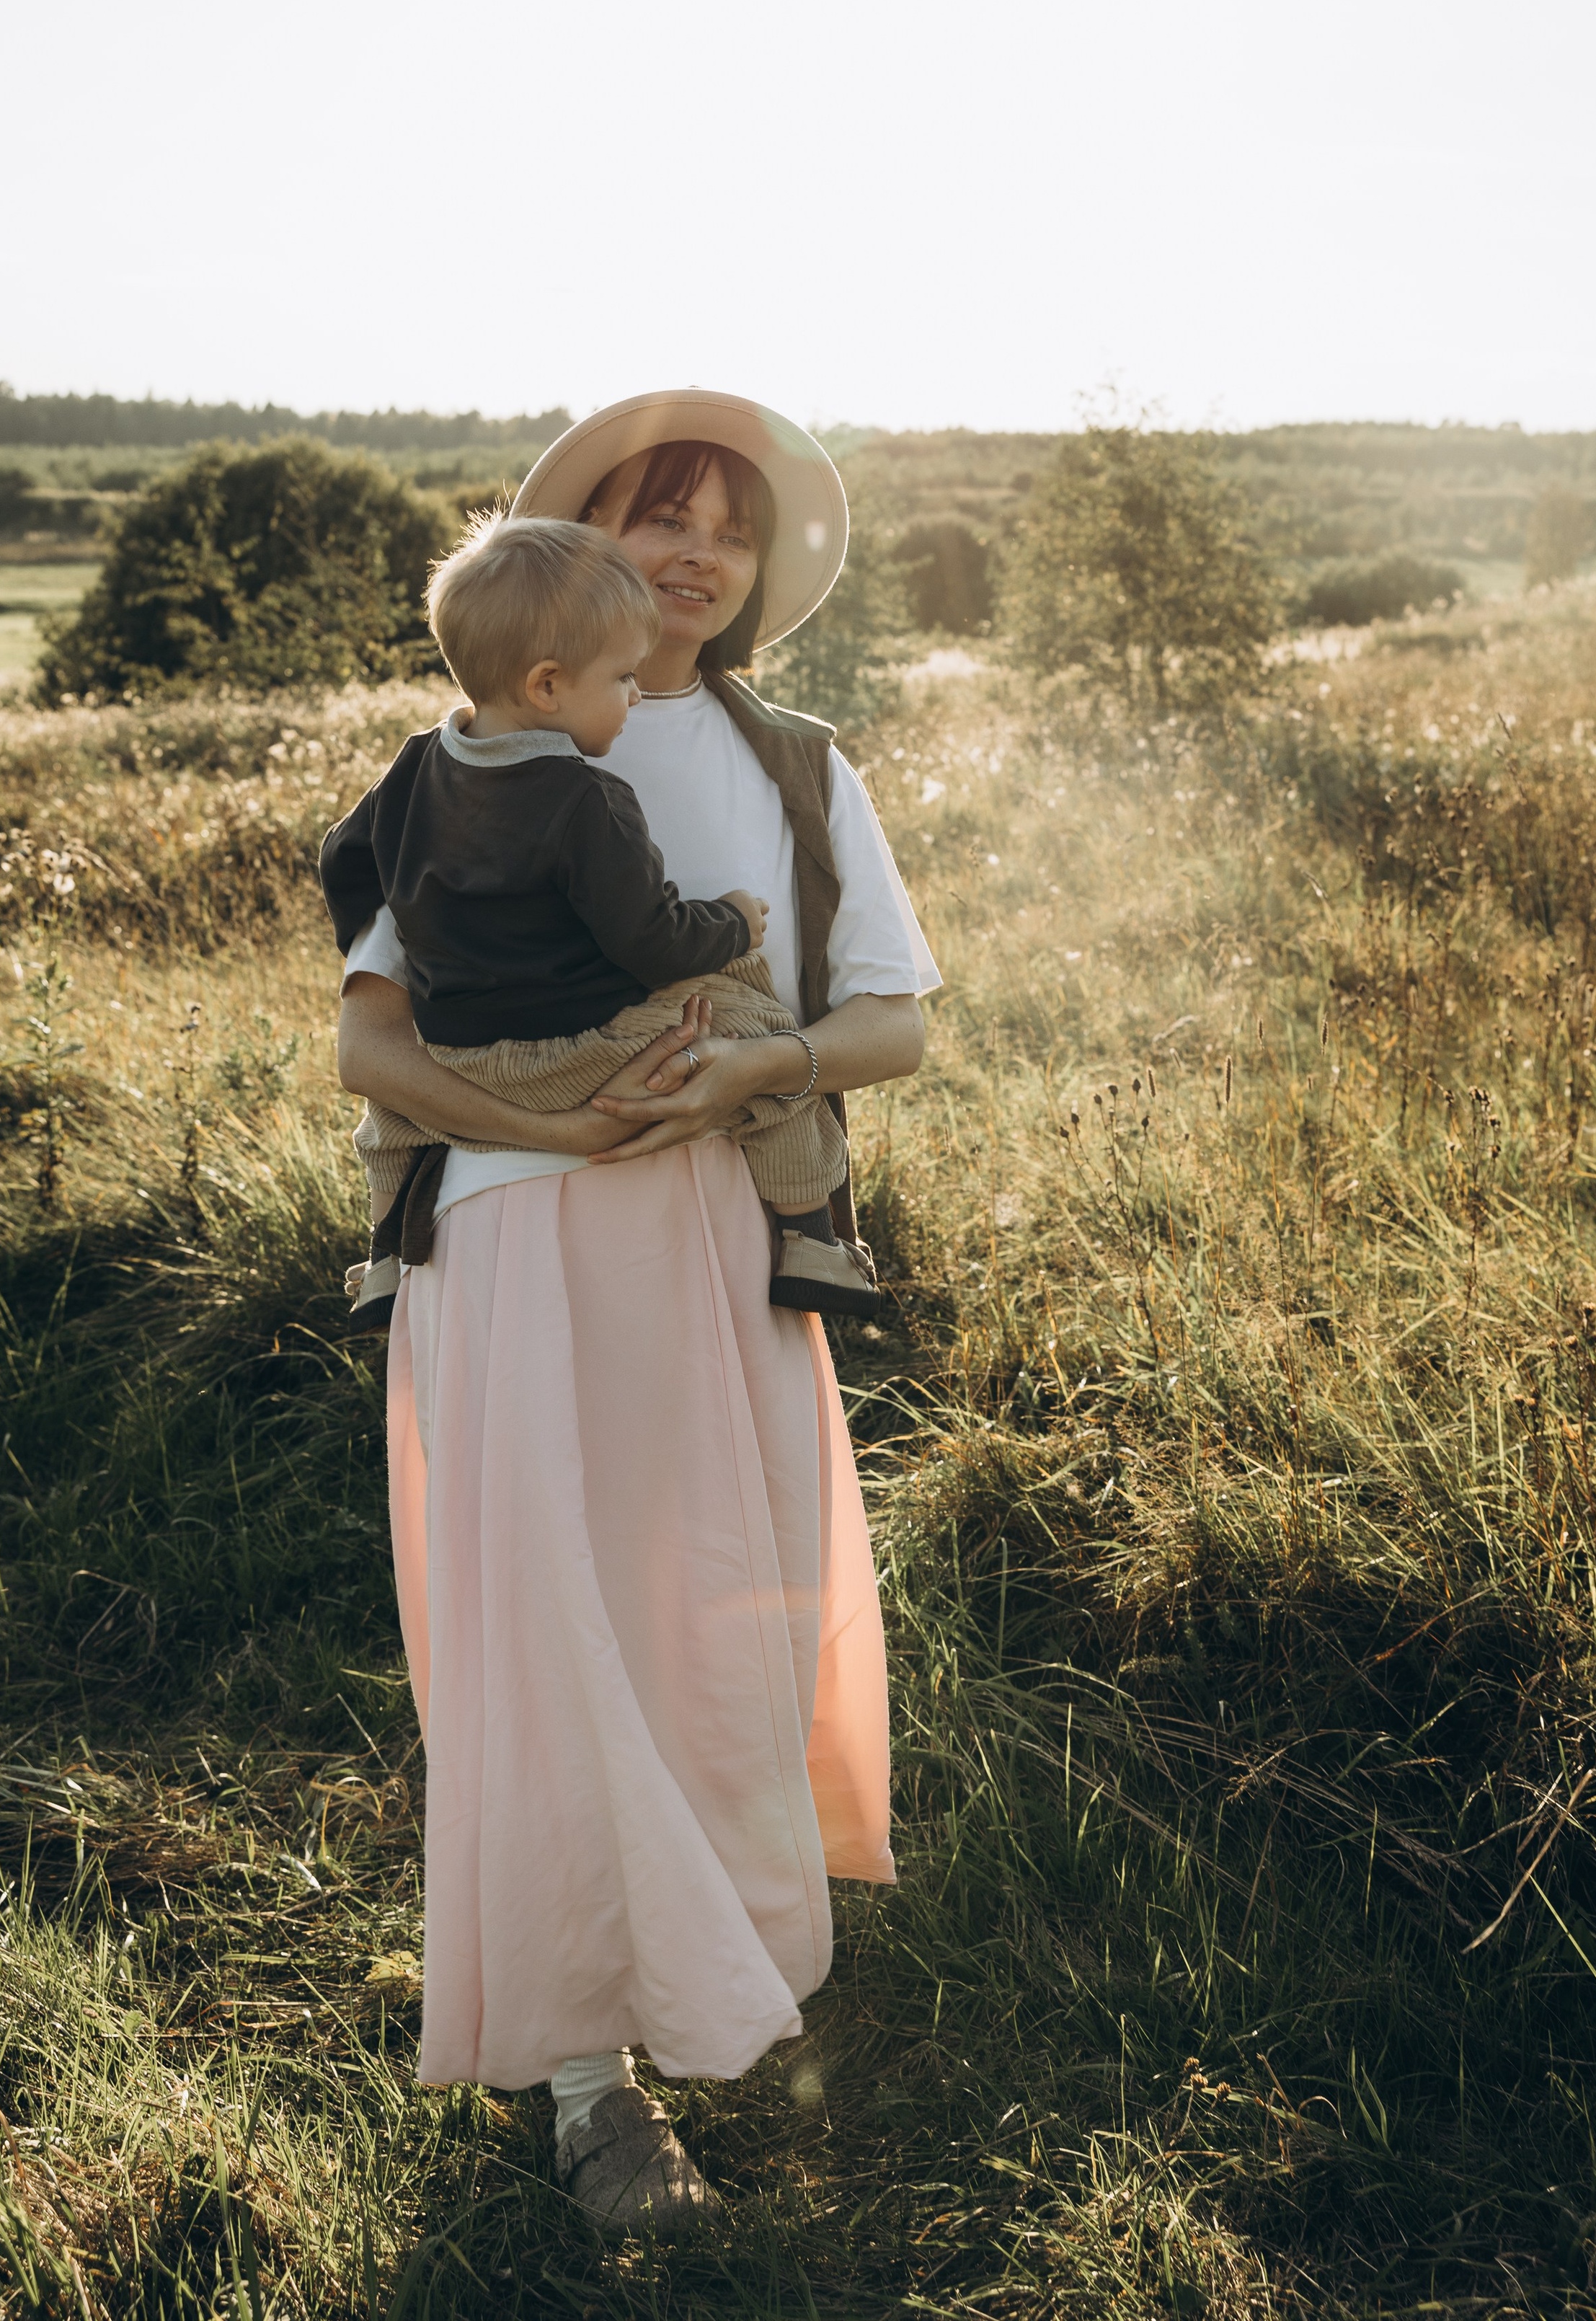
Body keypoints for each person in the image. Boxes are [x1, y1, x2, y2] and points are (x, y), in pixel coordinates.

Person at [334, 389, 939, 2233]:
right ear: (580, 535)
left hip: (712, 1233)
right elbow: (367, 1041)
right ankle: (591, 2088)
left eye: (726, 528)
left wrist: (719, 1091)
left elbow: (894, 1022)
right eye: (653, 513)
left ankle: (718, 1976)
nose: (690, 553)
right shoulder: (453, 761)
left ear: (763, 569)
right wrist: (539, 1119)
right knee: (550, 1636)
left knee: (700, 1621)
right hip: (512, 1243)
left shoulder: (801, 767)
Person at [320, 512, 876, 1323]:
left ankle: (381, 1254)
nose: (635, 692)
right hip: (581, 1054)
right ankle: (810, 1234)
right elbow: (648, 940)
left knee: (390, 1114)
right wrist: (730, 923)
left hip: (457, 1051)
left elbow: (343, 855)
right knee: (758, 1023)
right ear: (548, 685)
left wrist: (421, 919)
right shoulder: (586, 798)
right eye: (622, 678)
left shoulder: (413, 767)